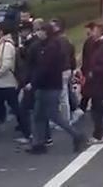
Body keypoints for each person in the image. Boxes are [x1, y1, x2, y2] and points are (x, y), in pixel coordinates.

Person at [26, 21, 87, 154]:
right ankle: (38, 144)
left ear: (47, 32)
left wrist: (33, 83)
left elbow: (45, 68)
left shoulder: (53, 47)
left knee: (53, 115)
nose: (38, 33)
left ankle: (77, 135)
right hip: (43, 86)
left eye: (41, 30)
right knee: (38, 115)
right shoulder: (40, 46)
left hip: (50, 86)